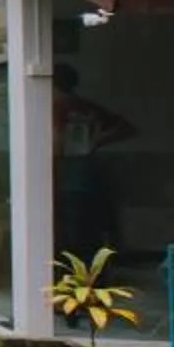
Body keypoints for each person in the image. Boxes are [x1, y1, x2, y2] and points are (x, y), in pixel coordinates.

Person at [53, 63, 135, 254]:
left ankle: (69, 275)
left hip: (65, 175)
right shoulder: (85, 106)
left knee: (66, 234)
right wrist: (96, 142)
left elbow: (56, 144)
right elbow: (125, 127)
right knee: (87, 231)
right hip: (87, 174)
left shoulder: (57, 107)